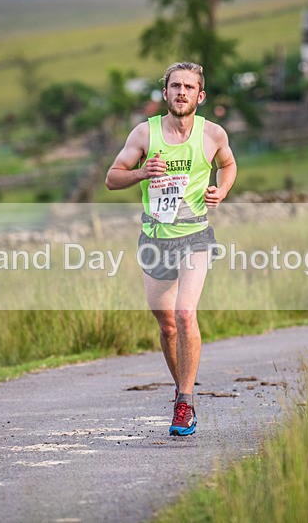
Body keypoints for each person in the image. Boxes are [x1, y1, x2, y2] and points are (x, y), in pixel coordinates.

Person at [105, 62, 237, 436]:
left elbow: (228, 165)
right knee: (166, 325)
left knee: (184, 313)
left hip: (195, 236)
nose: (181, 92)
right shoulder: (145, 134)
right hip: (155, 239)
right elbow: (112, 178)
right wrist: (142, 173)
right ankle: (182, 390)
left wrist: (221, 190)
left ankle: (184, 400)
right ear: (165, 94)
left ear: (200, 95)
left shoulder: (212, 134)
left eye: (189, 87)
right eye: (175, 86)